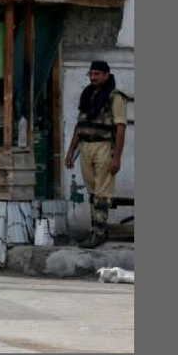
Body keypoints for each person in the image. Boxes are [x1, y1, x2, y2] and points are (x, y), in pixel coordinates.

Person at [64, 60, 129, 248]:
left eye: (97, 74)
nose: (93, 77)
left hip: (104, 146)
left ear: (106, 75)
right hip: (86, 147)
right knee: (93, 191)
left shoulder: (114, 97)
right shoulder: (87, 94)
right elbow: (80, 125)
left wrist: (116, 157)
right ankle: (97, 230)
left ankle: (99, 233)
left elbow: (120, 127)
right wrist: (70, 151)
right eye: (91, 74)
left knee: (102, 192)